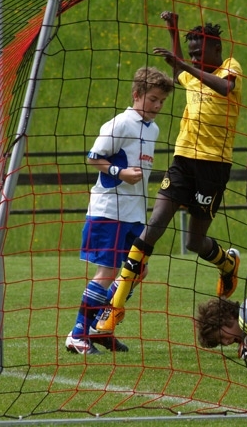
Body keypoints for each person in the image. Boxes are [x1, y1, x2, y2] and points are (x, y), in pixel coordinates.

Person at [95, 11, 243, 335]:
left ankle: (228, 264)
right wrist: (172, 29)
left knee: (194, 241)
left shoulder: (229, 67)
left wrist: (185, 64)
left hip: (214, 166)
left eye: (198, 52)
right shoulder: (191, 73)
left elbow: (225, 87)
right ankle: (114, 308)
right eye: (190, 53)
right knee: (154, 227)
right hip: (182, 161)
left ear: (216, 49)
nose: (194, 58)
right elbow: (179, 69)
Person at [65, 66, 174, 355]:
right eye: (153, 99)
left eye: (162, 101)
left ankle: (100, 328)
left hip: (134, 213)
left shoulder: (153, 129)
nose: (158, 106)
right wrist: (121, 172)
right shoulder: (120, 124)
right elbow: (93, 157)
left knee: (139, 270)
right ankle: (77, 334)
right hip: (108, 210)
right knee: (109, 271)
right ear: (136, 94)